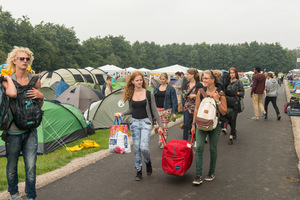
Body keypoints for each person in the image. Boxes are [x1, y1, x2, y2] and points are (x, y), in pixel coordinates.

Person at [5, 46, 44, 200]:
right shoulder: (8, 80)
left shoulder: (35, 80)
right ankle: (14, 194)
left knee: (31, 167)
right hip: (13, 131)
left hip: (31, 130)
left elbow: (38, 107)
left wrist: (41, 96)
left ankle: (31, 196)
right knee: (12, 166)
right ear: (14, 61)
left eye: (27, 59)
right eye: (22, 58)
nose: (25, 61)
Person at [114, 71, 163, 181]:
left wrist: (160, 125)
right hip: (135, 122)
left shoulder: (148, 94)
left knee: (143, 147)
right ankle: (139, 170)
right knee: (136, 148)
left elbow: (154, 111)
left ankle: (148, 162)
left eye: (141, 80)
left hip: (146, 122)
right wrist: (121, 113)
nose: (139, 82)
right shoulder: (131, 94)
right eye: (137, 80)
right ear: (132, 82)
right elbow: (131, 109)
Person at [191, 70, 227, 185]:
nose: (204, 81)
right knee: (199, 147)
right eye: (203, 78)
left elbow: (224, 111)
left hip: (215, 125)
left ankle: (211, 172)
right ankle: (198, 175)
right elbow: (196, 108)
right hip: (200, 123)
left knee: (212, 148)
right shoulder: (200, 92)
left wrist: (217, 101)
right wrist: (193, 124)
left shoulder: (220, 93)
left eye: (206, 78)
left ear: (213, 80)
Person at [153, 73, 178, 148]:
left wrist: (174, 112)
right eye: (161, 79)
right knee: (157, 126)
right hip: (157, 109)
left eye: (163, 79)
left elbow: (174, 100)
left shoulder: (170, 88)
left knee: (164, 125)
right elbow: (153, 98)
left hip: (167, 109)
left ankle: (163, 141)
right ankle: (161, 137)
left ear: (166, 79)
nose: (162, 80)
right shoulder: (157, 87)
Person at [224, 67, 245, 145]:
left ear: (236, 73)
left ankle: (231, 136)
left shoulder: (239, 82)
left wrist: (235, 93)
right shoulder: (226, 82)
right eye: (230, 73)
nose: (232, 74)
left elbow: (242, 93)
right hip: (227, 103)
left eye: (233, 73)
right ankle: (234, 130)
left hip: (235, 103)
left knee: (233, 119)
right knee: (227, 119)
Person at [182, 68, 203, 140]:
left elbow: (203, 95)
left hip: (196, 106)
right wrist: (184, 95)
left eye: (187, 74)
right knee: (186, 124)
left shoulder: (199, 84)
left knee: (196, 125)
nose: (186, 76)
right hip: (187, 105)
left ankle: (197, 140)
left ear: (192, 75)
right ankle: (184, 141)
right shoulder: (186, 84)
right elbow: (184, 92)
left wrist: (195, 95)